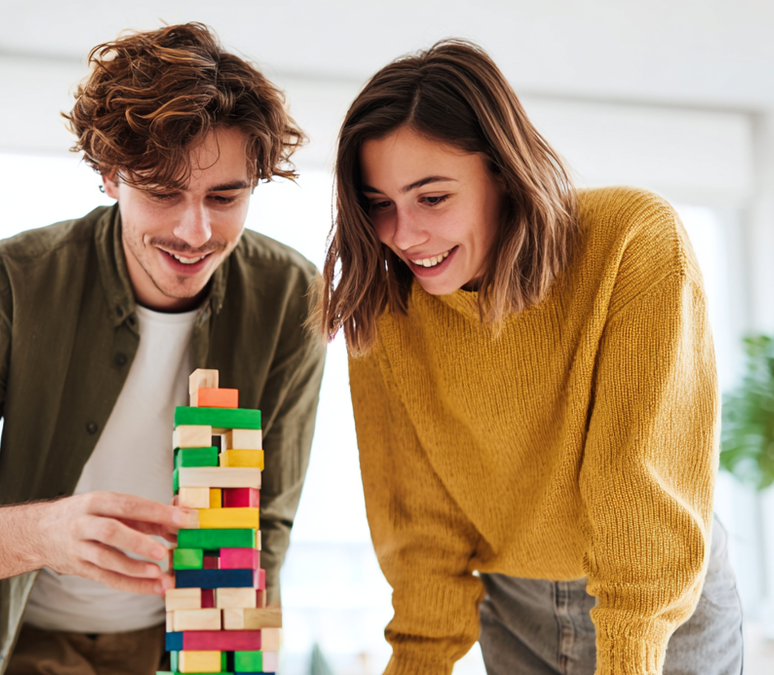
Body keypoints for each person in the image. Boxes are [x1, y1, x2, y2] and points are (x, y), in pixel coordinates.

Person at [0, 23, 326, 675]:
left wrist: (234, 656)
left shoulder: (287, 297)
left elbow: (263, 528)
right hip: (30, 638)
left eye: (225, 196)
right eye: (164, 191)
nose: (195, 230)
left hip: (183, 642)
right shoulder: (9, 282)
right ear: (111, 175)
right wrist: (48, 533)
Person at [315, 40, 742, 675]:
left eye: (432, 198)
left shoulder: (632, 240)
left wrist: (631, 654)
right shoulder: (386, 306)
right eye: (380, 204)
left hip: (660, 604)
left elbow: (639, 483)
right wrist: (417, 662)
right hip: (511, 607)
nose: (404, 235)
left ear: (502, 171)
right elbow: (423, 527)